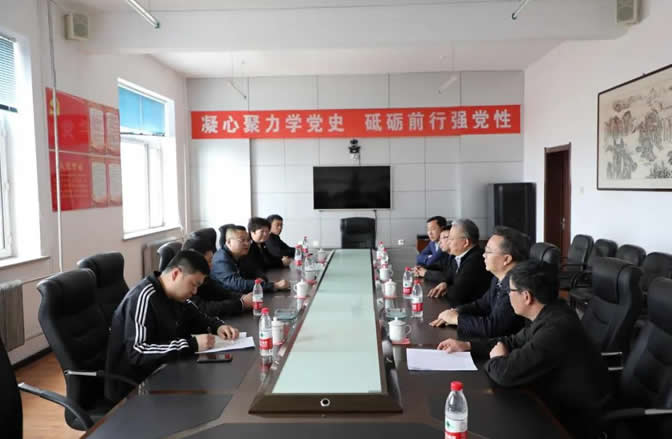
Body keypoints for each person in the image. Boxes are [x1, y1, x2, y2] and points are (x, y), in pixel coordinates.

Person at [437, 260, 611, 438]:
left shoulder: (556, 329)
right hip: (552, 399)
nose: (507, 295)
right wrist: (468, 345)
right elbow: (513, 341)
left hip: (572, 420)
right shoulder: (551, 311)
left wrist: (497, 359)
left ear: (526, 296)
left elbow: (505, 374)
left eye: (510, 291)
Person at [105, 250, 240, 402]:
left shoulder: (176, 295)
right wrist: (191, 344)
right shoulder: (143, 297)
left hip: (163, 371)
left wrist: (217, 326)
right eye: (193, 284)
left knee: (208, 393)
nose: (195, 291)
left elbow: (199, 317)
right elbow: (138, 352)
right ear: (176, 274)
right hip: (135, 387)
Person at [430, 226, 527, 338]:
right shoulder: (498, 278)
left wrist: (456, 319)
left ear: (506, 259)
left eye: (488, 251)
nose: (483, 255)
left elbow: (494, 328)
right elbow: (483, 304)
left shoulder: (516, 286)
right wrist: (457, 311)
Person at [416, 219, 492, 307]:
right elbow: (448, 276)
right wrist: (445, 283)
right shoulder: (457, 257)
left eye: (451, 239)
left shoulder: (476, 260)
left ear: (465, 242)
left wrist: (447, 288)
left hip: (472, 310)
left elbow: (456, 294)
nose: (448, 242)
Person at [181, 237, 253, 317]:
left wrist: (243, 297)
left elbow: (221, 293)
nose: (211, 265)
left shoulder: (204, 276)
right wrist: (241, 303)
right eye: (208, 261)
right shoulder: (184, 282)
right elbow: (203, 309)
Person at [210, 225, 289, 293]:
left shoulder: (240, 254)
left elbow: (255, 269)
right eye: (242, 240)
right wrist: (274, 285)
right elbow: (237, 284)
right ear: (228, 242)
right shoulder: (221, 259)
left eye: (248, 240)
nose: (247, 244)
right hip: (225, 299)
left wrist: (261, 278)